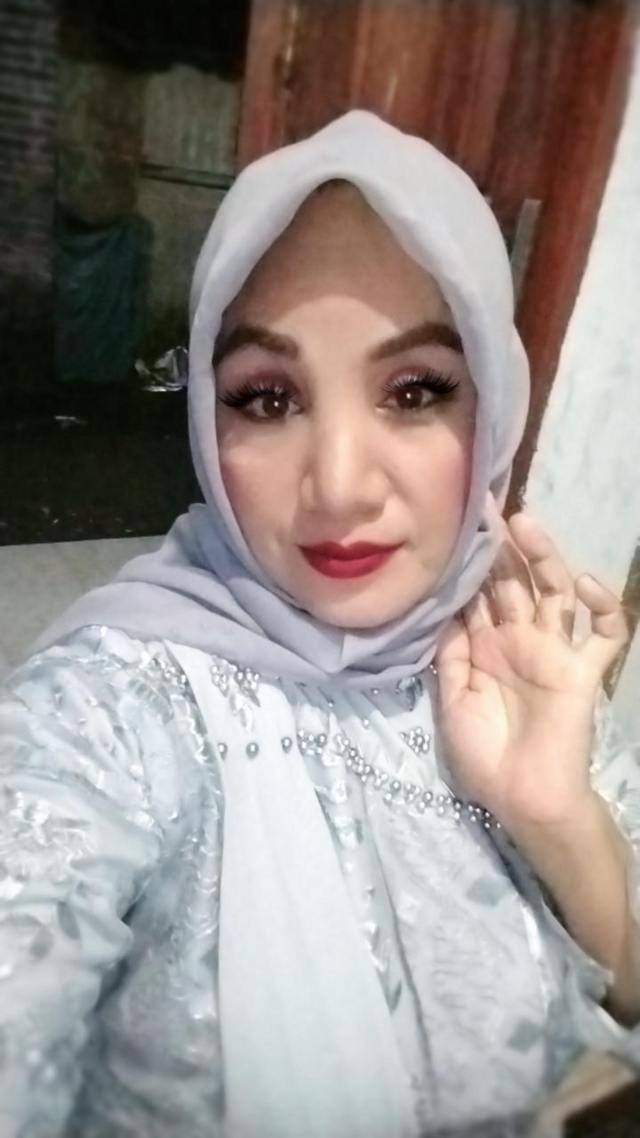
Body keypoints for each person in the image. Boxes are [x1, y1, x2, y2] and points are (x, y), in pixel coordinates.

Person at [1, 109, 639, 1138]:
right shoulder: (115, 707)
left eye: (415, 390)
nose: (339, 487)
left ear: (492, 408)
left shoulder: (521, 665)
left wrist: (562, 823)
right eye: (266, 398)